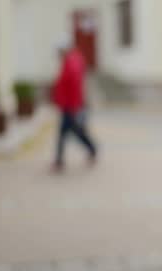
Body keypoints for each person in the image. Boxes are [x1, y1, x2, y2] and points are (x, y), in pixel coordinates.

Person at [51, 39, 97, 172]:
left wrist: (75, 106)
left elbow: (74, 86)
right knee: (68, 132)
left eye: (59, 51)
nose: (58, 54)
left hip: (71, 106)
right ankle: (60, 160)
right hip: (69, 105)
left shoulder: (72, 62)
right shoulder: (70, 61)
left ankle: (91, 149)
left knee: (73, 132)